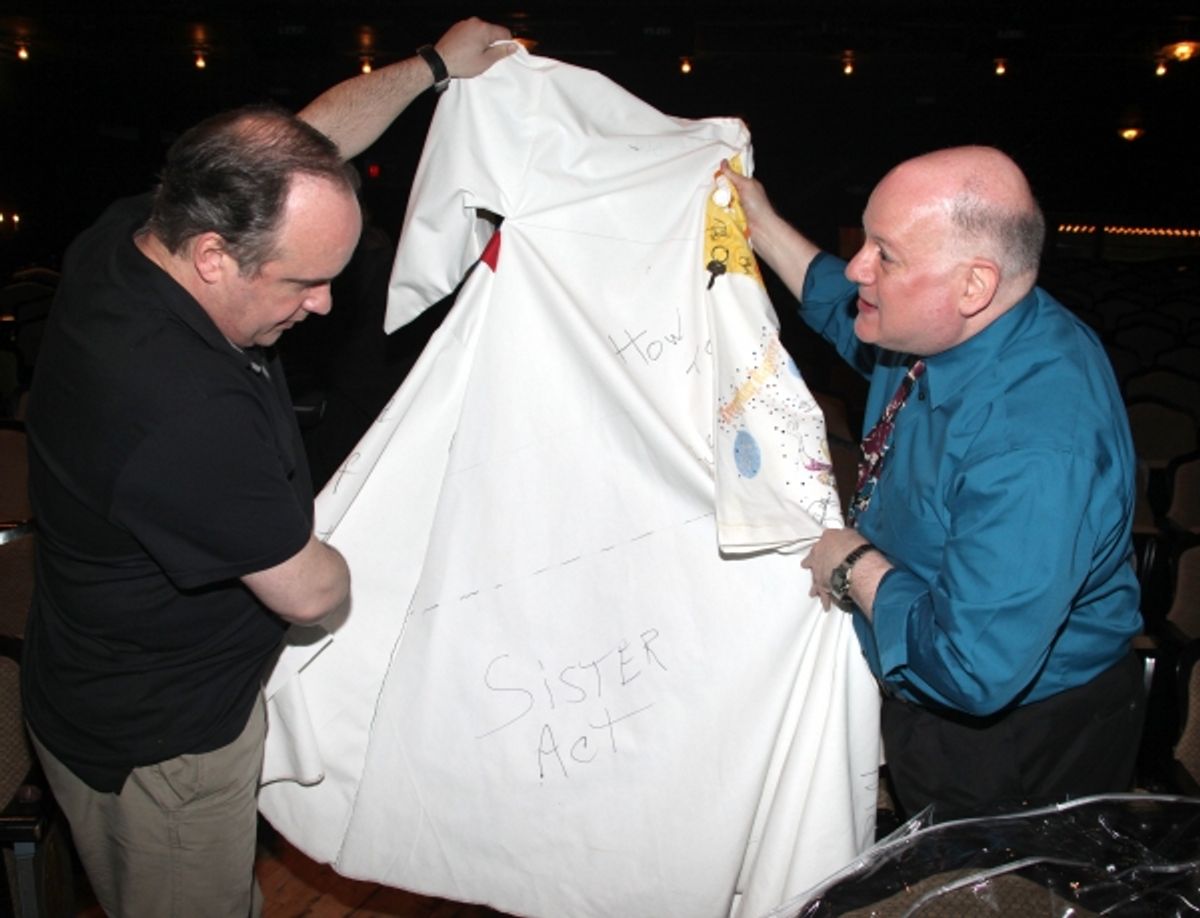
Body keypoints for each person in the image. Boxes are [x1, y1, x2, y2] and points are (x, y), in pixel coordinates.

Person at [22, 17, 513, 916]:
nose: (325, 305)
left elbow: (307, 143)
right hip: (163, 750)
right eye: (301, 282)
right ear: (214, 259)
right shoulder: (180, 417)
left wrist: (433, 66)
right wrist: (389, 541)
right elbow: (310, 593)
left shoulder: (136, 231)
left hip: (92, 673)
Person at [722, 146, 1145, 820]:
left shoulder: (1035, 442)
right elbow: (838, 300)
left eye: (885, 255)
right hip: (940, 672)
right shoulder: (949, 322)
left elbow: (969, 669)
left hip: (1015, 742)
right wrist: (760, 220)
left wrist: (853, 564)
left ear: (973, 286)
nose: (859, 264)